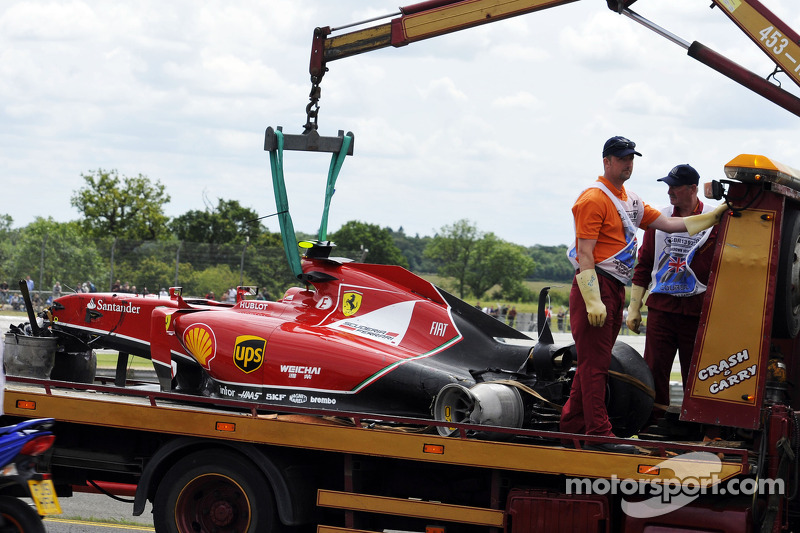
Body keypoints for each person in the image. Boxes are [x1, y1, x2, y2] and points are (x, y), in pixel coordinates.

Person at [561, 136, 727, 453]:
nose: (627, 163)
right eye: (621, 158)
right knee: (595, 366)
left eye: (631, 158)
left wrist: (715, 216)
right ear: (606, 161)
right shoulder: (594, 199)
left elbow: (668, 223)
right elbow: (585, 253)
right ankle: (599, 433)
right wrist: (592, 298)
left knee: (592, 364)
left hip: (614, 287)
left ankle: (572, 426)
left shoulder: (631, 200)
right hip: (596, 283)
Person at [627, 164, 720, 421]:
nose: (670, 191)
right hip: (662, 310)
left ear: (693, 188)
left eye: (675, 187)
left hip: (698, 311)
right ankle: (651, 425)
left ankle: (697, 427)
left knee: (698, 373)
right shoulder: (660, 218)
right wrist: (634, 308)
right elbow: (644, 264)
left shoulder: (716, 219)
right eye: (668, 186)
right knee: (654, 370)